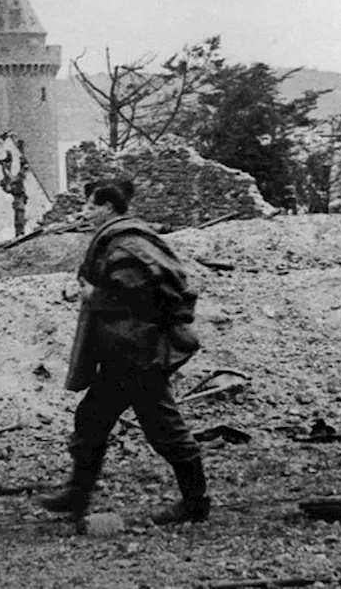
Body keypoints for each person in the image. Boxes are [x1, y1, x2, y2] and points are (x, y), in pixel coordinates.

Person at [41, 180, 209, 525]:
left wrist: (93, 297)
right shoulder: (124, 240)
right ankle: (78, 494)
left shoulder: (126, 245)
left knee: (165, 428)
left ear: (108, 207)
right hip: (125, 352)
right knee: (91, 419)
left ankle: (196, 502)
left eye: (90, 206)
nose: (85, 212)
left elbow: (137, 299)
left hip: (138, 354)